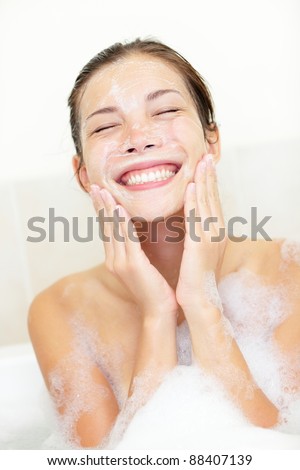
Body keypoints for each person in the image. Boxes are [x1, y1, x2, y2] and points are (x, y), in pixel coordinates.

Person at [28, 37, 300, 449]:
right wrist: (157, 312)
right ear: (83, 174)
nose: (139, 137)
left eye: (166, 110)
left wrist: (202, 303)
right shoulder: (60, 310)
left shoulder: (288, 272)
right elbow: (113, 461)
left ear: (213, 142)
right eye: (105, 126)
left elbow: (282, 449)